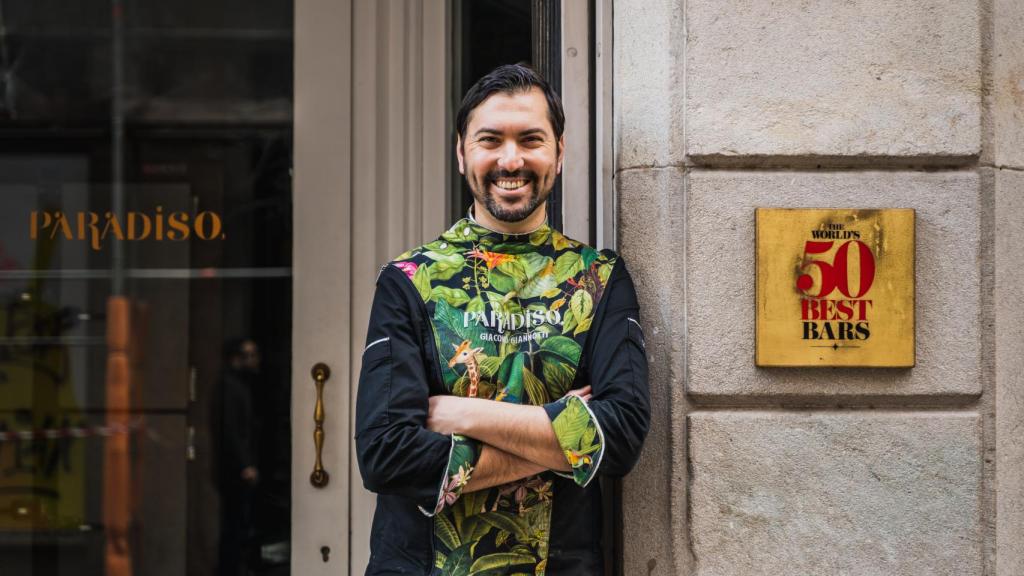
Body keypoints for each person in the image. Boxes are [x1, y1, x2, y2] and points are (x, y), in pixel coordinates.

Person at [355, 63, 650, 575]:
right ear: (461, 152)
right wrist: (564, 438)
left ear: (559, 152)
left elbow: (621, 437)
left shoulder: (598, 278)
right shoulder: (409, 280)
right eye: (490, 140)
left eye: (531, 140)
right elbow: (386, 455)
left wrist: (461, 415)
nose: (511, 160)